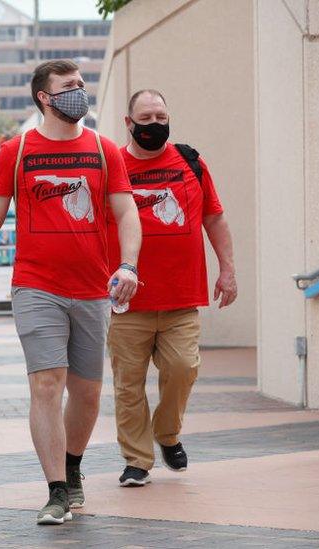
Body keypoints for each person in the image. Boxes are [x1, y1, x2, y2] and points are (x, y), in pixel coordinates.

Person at [0, 60, 141, 525]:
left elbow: (127, 214)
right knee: (45, 384)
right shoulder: (15, 152)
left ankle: (73, 466)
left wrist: (128, 265)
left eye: (81, 85)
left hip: (93, 289)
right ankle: (57, 490)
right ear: (44, 96)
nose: (79, 92)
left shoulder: (103, 150)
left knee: (87, 393)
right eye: (68, 87)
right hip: (36, 286)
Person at [108, 90, 237, 487]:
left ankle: (167, 433)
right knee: (128, 384)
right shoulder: (113, 165)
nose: (154, 124)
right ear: (129, 123)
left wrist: (227, 270)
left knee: (183, 369)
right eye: (145, 117)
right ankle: (137, 459)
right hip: (127, 301)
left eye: (161, 116)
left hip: (182, 295)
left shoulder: (190, 163)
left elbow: (214, 218)